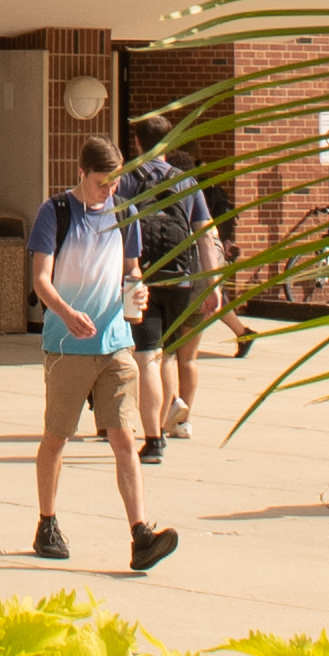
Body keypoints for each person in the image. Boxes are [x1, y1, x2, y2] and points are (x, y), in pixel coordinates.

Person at [23, 133, 178, 575]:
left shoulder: (125, 212)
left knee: (125, 438)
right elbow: (41, 279)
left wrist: (138, 289)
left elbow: (131, 268)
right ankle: (47, 523)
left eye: (113, 183)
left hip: (115, 344)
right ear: (80, 173)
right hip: (68, 345)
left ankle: (141, 535)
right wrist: (67, 313)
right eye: (100, 183)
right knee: (57, 437)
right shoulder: (54, 213)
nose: (108, 191)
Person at [118, 129, 222, 462]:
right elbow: (205, 236)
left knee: (147, 356)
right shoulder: (186, 181)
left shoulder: (129, 180)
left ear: (137, 143)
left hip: (142, 279)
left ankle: (153, 438)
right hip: (182, 281)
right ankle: (171, 416)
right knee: (169, 355)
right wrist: (214, 285)